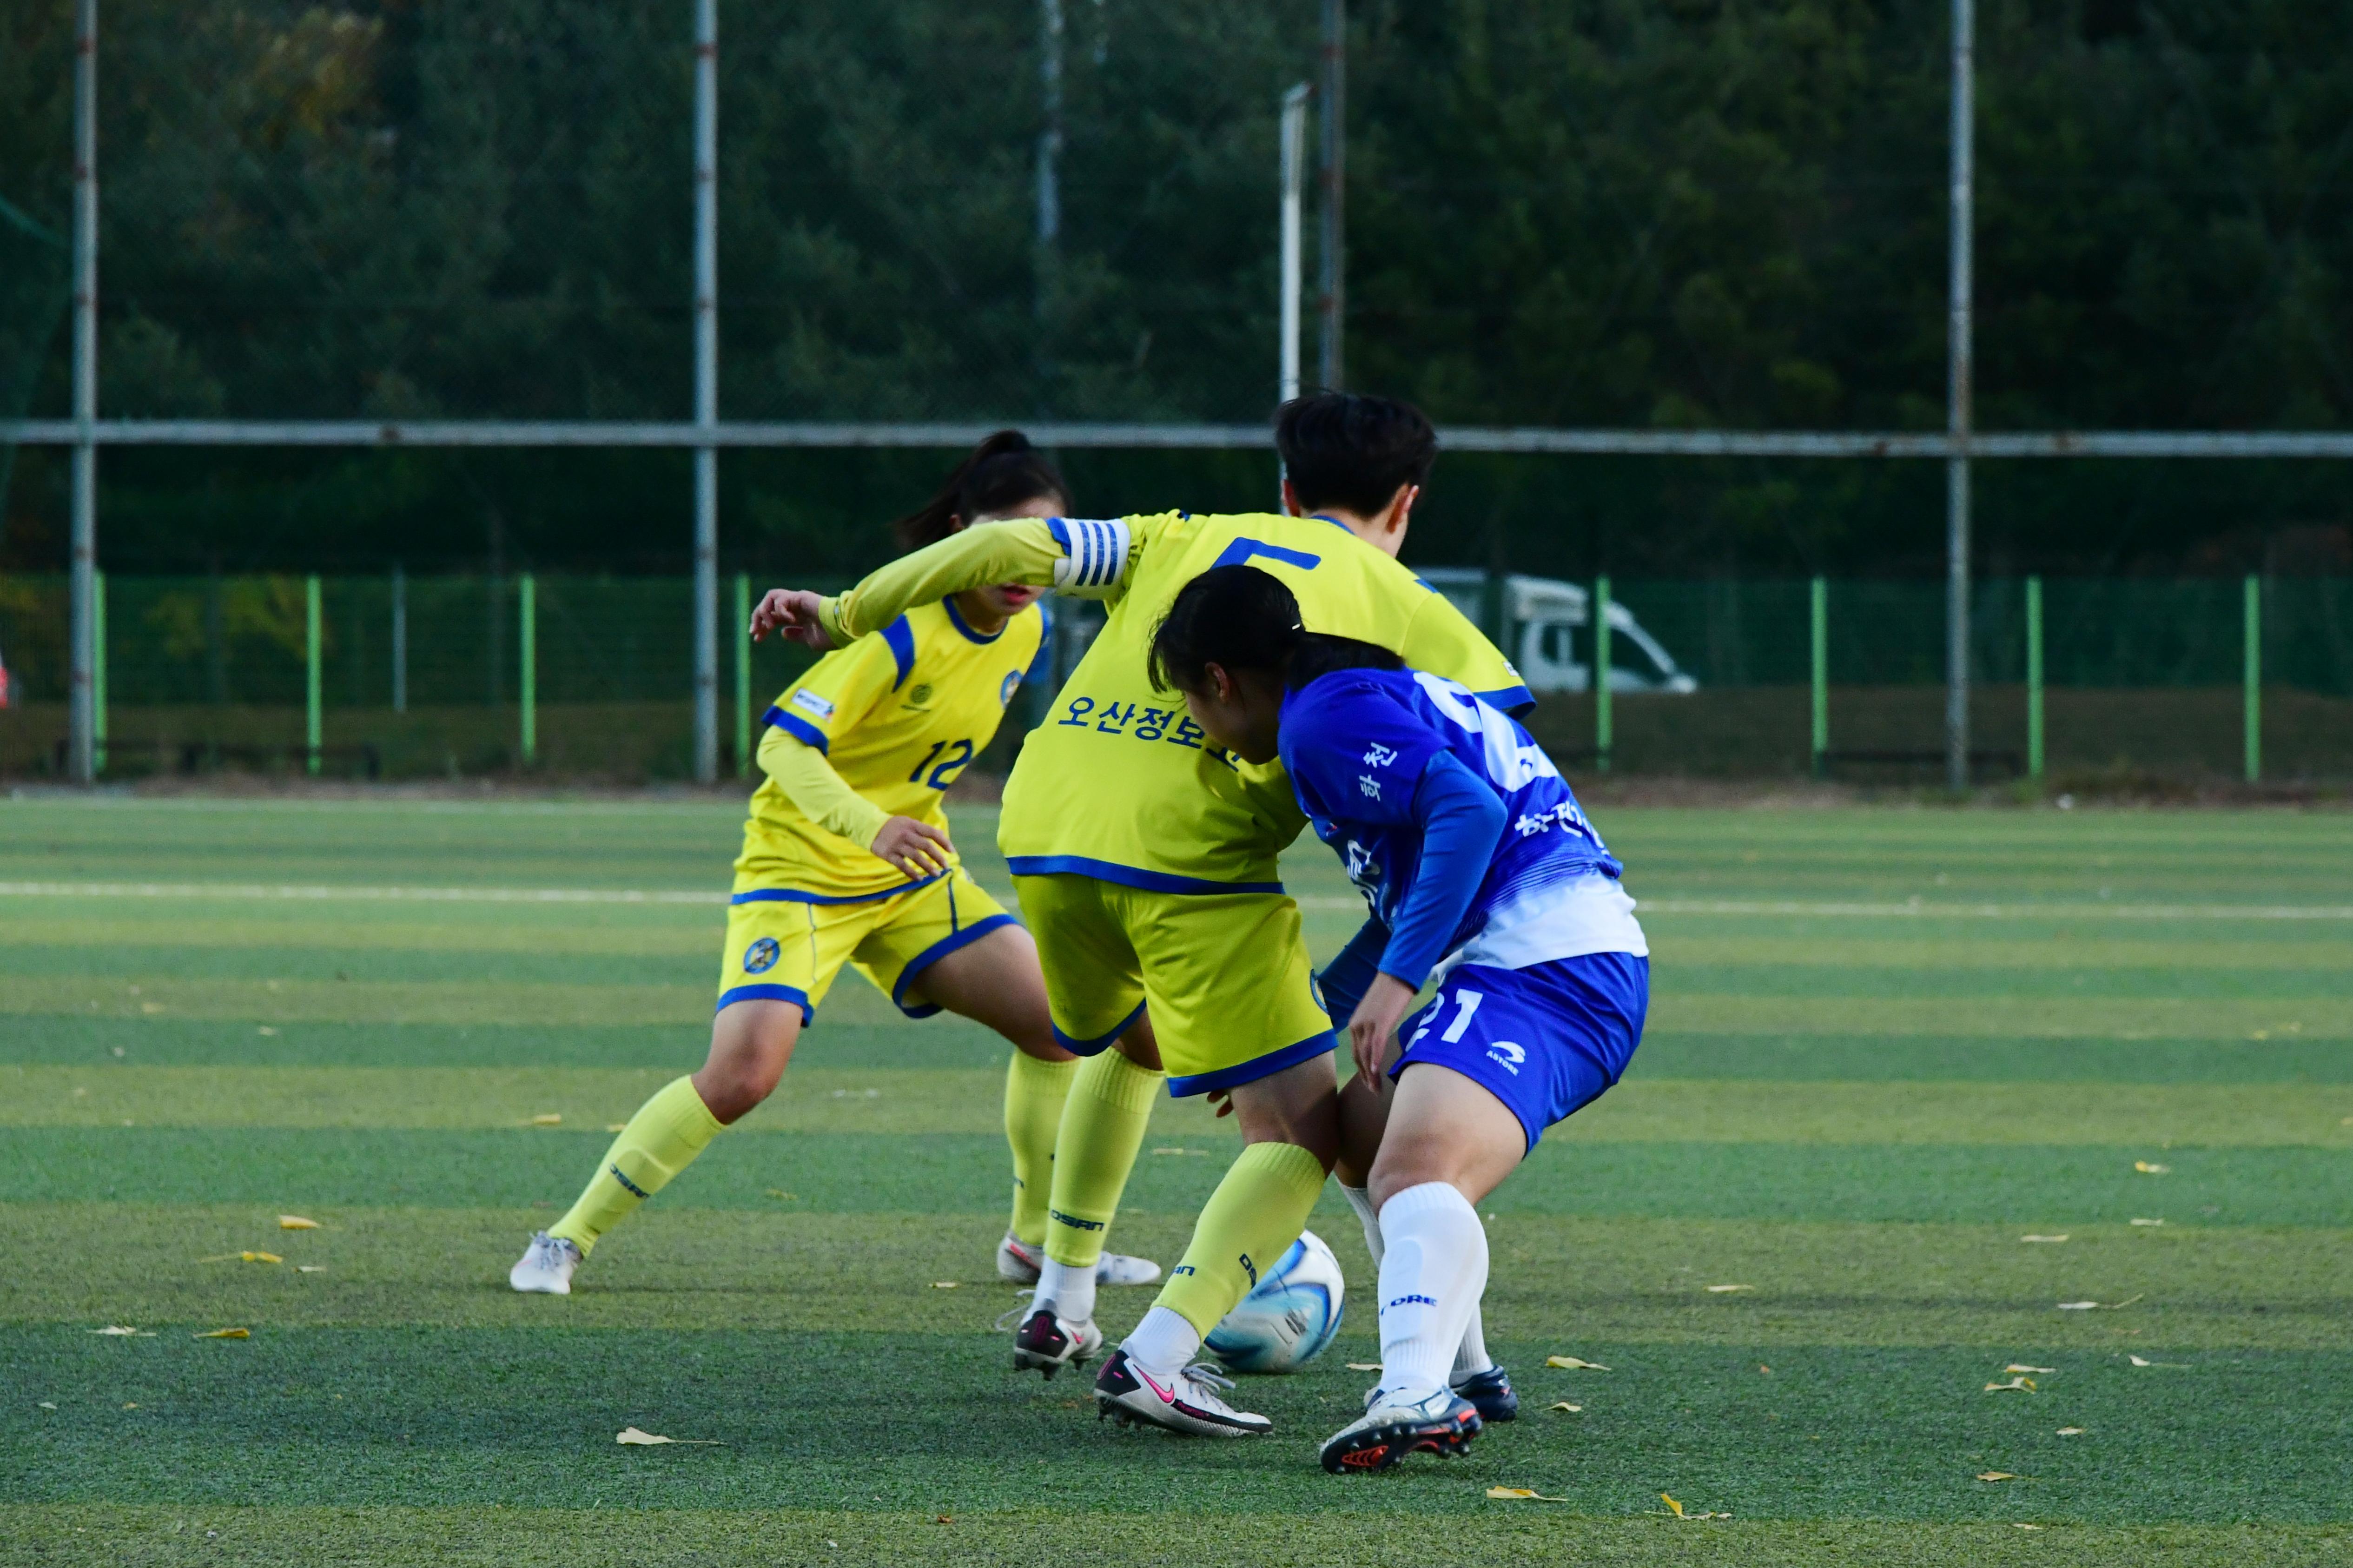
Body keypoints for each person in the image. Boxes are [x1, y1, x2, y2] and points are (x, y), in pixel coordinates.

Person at [748, 393, 1531, 1425]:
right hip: (1191, 860)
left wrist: (845, 612)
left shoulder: (1181, 534)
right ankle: (1161, 1354)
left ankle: (1063, 1295)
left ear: (1285, 490)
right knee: (1302, 1127)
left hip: (1045, 828)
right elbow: (1493, 754)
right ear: (1408, 503)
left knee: (1139, 1038)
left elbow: (1009, 546)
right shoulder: (1409, 604)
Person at [509, 433, 1163, 1299]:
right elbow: (783, 743)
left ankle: (1035, 1243)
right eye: (1003, 541)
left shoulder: (1030, 625)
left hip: (912, 876)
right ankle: (562, 1240)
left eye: (1043, 546)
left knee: (1059, 1028)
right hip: (803, 868)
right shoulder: (898, 630)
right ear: (961, 533)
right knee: (744, 1077)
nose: (1023, 566)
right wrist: (870, 825)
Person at [1143, 563, 1648, 1470]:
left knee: (1418, 1165)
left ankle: (1411, 1391)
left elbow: (1470, 811)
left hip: (1550, 962)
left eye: (1189, 700)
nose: (1197, 726)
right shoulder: (1347, 699)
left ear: (1218, 680)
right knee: (1357, 1139)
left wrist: (1395, 986)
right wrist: (1296, 1032)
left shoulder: (1321, 718)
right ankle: (1469, 1368)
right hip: (1536, 961)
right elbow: (1412, 894)